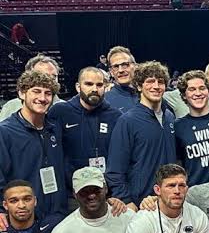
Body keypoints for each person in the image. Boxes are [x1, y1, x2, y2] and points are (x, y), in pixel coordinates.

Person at [47, 67, 122, 209]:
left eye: (99, 85)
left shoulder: (115, 116)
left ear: (105, 87)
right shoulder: (60, 112)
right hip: (72, 196)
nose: (94, 89)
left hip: (106, 193)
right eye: (89, 84)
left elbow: (120, 157)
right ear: (78, 87)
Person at [106, 61, 177, 210]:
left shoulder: (169, 117)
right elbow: (115, 170)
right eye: (150, 81)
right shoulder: (127, 121)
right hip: (140, 203)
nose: (156, 86)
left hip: (168, 199)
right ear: (139, 86)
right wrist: (126, 200)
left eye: (160, 82)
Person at [0, 70, 67, 218]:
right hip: (24, 216)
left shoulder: (55, 128)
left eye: (48, 93)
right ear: (22, 93)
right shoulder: (5, 132)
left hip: (57, 212)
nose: (42, 98)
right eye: (36, 91)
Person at [0, 55, 62, 121]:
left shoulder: (65, 108)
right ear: (28, 77)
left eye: (54, 76)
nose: (50, 80)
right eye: (43, 76)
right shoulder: (11, 107)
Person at [104, 46, 139, 114]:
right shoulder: (104, 101)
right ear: (111, 72)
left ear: (135, 66)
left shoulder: (149, 93)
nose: (120, 70)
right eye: (116, 66)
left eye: (125, 64)